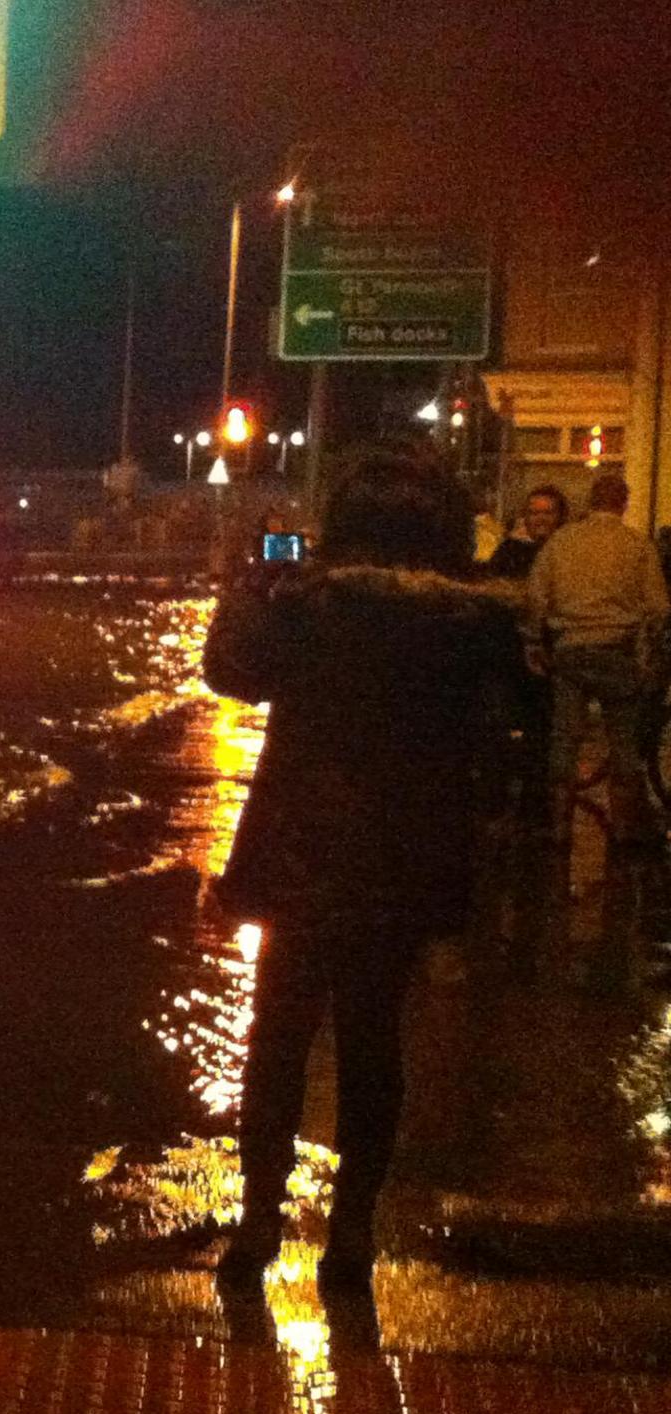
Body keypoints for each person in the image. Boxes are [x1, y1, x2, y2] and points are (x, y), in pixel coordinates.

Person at [205, 446, 521, 1295]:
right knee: (373, 1047)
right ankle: (351, 1232)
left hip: (303, 853)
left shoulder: (307, 605)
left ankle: (260, 1222)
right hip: (405, 864)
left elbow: (228, 672)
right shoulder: (472, 623)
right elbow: (508, 733)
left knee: (277, 1045)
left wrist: (251, 577)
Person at [527, 472, 669, 850]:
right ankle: (622, 831)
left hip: (570, 652)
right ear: (622, 503)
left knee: (565, 739)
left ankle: (559, 828)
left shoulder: (560, 542)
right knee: (623, 742)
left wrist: (534, 643)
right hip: (617, 653)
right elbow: (657, 609)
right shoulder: (637, 546)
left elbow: (537, 598)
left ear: (591, 501)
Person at [485, 485, 567, 580]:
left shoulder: (567, 551)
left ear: (561, 517)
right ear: (525, 518)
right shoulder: (509, 550)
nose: (541, 519)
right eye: (534, 513)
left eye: (548, 513)